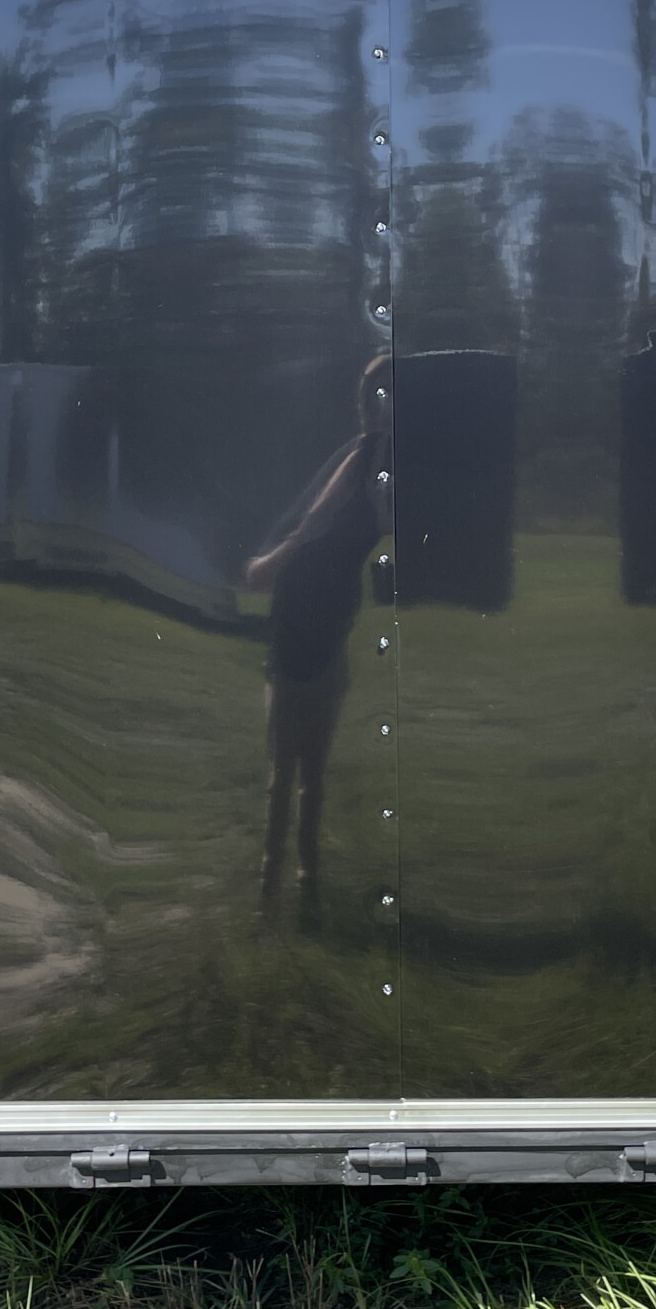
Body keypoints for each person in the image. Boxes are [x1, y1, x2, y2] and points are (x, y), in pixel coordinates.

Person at [242, 355, 392, 910]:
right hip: (297, 619)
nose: (371, 406)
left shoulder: (381, 461)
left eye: (383, 395)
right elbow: (312, 525)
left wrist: (271, 564)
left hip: (326, 625)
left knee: (311, 771)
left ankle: (305, 884)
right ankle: (270, 886)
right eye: (368, 395)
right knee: (285, 771)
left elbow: (374, 520)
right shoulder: (360, 455)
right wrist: (274, 563)